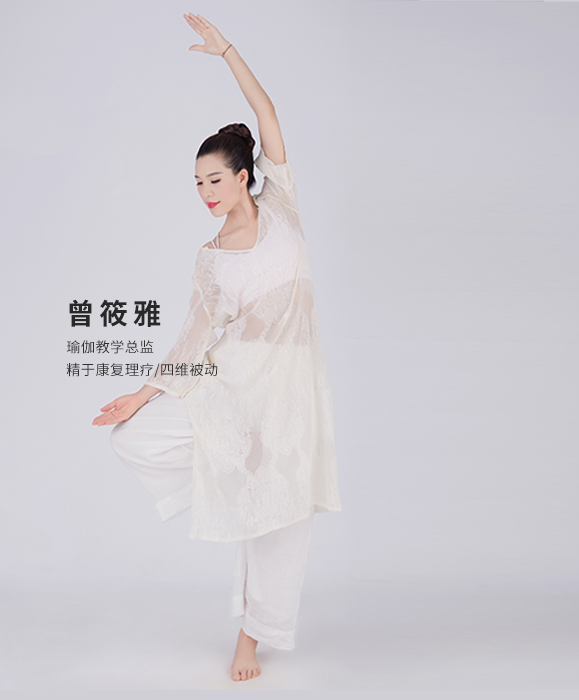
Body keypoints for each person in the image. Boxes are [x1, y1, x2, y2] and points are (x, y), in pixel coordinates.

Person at [91, 13, 342, 682]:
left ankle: (251, 639)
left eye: (214, 180)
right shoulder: (210, 257)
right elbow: (195, 336)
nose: (204, 193)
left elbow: (267, 112)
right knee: (133, 439)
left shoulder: (282, 204)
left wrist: (227, 50)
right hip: (232, 382)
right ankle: (222, 463)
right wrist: (143, 392)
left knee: (283, 518)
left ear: (243, 175)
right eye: (197, 184)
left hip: (289, 389)